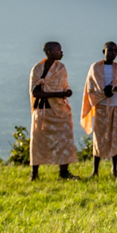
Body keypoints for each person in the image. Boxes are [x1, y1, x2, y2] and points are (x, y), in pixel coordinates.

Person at [81, 41, 117, 178]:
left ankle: (114, 170)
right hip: (101, 106)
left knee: (115, 137)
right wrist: (103, 92)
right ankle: (95, 171)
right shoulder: (95, 68)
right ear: (103, 51)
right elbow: (90, 88)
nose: (113, 53)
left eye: (115, 51)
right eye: (110, 51)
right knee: (99, 137)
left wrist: (114, 89)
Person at [29, 41, 79, 180]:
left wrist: (66, 92)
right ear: (49, 51)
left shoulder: (61, 68)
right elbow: (36, 93)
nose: (62, 52)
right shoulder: (37, 69)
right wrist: (57, 94)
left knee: (64, 140)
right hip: (42, 110)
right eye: (59, 50)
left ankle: (63, 173)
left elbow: (63, 87)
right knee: (38, 142)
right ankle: (34, 174)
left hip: (59, 111)